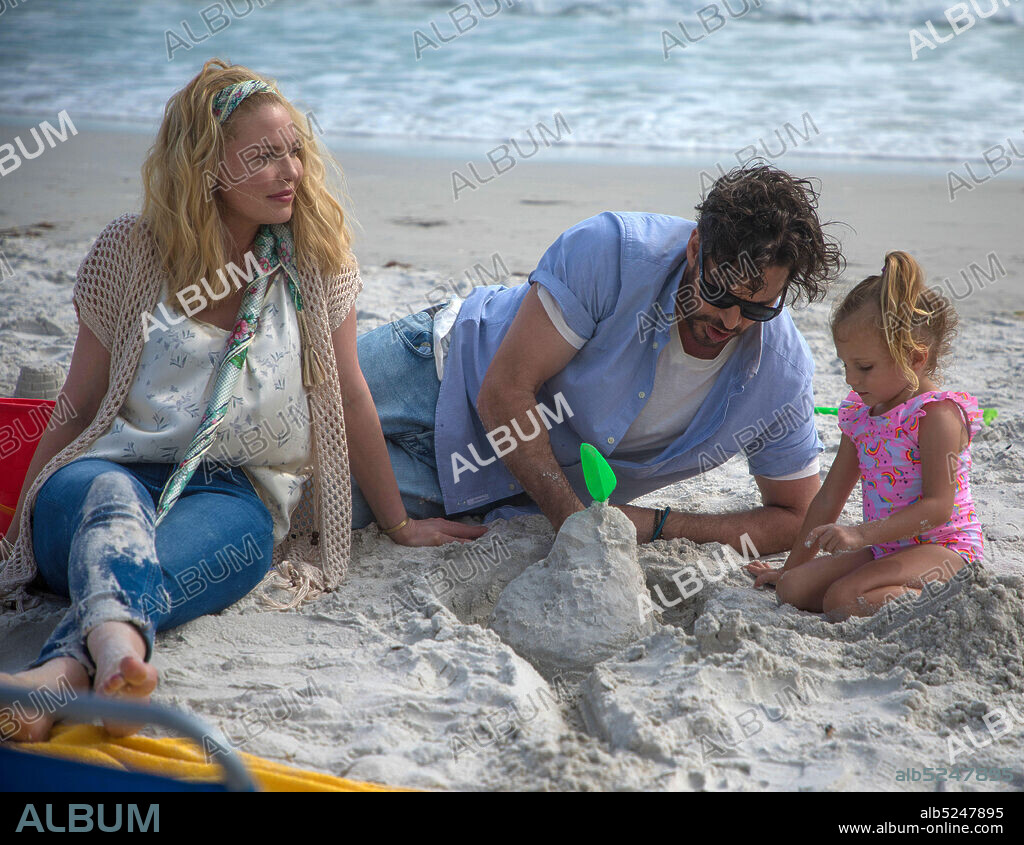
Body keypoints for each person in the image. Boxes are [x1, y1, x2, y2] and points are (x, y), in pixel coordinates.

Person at [0, 59, 482, 742]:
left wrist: (401, 524)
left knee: (239, 546)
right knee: (110, 497)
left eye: (295, 150)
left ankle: (74, 669)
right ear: (205, 167)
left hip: (230, 497)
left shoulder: (314, 266)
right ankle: (98, 665)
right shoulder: (129, 253)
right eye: (262, 156)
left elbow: (350, 394)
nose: (290, 170)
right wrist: (18, 534)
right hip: (98, 476)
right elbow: (77, 410)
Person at [353, 165, 844, 554]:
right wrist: (575, 525)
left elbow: (797, 517)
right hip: (438, 366)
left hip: (480, 489)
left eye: (758, 306)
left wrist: (657, 526)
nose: (731, 320)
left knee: (299, 505)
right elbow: (505, 391)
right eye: (717, 291)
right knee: (285, 414)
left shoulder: (782, 374)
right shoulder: (612, 251)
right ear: (696, 247)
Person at [747, 251, 983, 621]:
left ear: (915, 358)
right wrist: (790, 567)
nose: (851, 380)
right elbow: (829, 496)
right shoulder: (862, 415)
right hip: (885, 545)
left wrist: (860, 534)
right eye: (846, 365)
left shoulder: (937, 416)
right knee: (793, 589)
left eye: (865, 367)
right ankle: (891, 589)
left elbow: (939, 508)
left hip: (943, 549)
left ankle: (946, 600)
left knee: (844, 599)